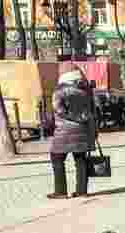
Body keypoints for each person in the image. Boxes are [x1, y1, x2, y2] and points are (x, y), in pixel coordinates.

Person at [48, 68, 96, 200]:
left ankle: (60, 191)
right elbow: (92, 112)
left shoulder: (59, 93)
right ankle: (81, 191)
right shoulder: (85, 92)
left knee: (56, 158)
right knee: (80, 160)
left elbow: (59, 111)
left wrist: (73, 117)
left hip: (64, 131)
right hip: (83, 130)